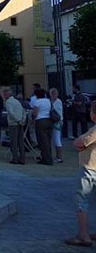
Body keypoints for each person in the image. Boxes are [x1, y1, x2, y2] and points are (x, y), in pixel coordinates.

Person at [65, 101, 96, 247]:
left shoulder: (94, 130)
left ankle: (83, 235)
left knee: (81, 201)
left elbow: (78, 143)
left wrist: (80, 146)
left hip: (90, 169)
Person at [2, 87, 26, 165]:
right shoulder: (17, 101)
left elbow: (11, 113)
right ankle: (22, 159)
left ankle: (15, 158)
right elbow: (23, 111)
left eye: (4, 94)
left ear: (7, 94)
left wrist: (18, 120)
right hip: (20, 123)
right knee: (21, 142)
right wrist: (22, 120)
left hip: (13, 124)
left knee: (14, 142)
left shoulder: (8, 102)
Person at [32, 88, 53, 166]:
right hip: (49, 120)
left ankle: (46, 159)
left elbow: (35, 113)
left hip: (40, 121)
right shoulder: (48, 101)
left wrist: (32, 120)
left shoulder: (37, 102)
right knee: (48, 140)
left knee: (42, 141)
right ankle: (49, 157)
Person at [49, 87, 64, 164]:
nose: (53, 94)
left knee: (57, 139)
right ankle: (57, 156)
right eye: (52, 93)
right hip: (54, 121)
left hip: (57, 122)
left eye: (54, 93)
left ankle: (59, 157)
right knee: (55, 140)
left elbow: (55, 112)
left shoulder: (58, 102)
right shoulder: (51, 101)